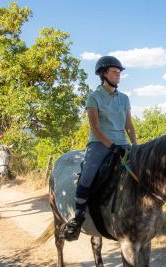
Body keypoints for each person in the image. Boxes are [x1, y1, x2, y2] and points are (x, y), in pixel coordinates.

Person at [63, 55, 138, 240]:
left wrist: (135, 146)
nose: (118, 75)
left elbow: (129, 125)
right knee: (87, 176)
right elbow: (95, 128)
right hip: (99, 143)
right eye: (114, 72)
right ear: (103, 74)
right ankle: (78, 218)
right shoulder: (94, 97)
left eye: (119, 72)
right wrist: (111, 146)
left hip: (123, 143)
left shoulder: (124, 98)